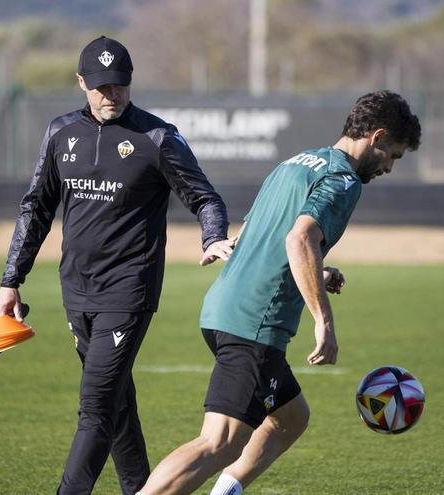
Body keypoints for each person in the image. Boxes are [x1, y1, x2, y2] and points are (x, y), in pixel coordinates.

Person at [137, 90, 422, 495]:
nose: (391, 167)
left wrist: (316, 273)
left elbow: (262, 233)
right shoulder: (342, 180)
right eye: (393, 154)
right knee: (219, 442)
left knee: (290, 418)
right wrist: (324, 322)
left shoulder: (296, 162)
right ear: (376, 137)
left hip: (225, 307)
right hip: (255, 320)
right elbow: (299, 238)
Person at [0, 36, 233, 495]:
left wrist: (213, 236)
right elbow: (36, 209)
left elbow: (204, 197)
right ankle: (140, 488)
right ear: (81, 82)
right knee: (118, 400)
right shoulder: (61, 132)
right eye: (101, 86)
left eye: (119, 85)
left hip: (129, 290)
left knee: (96, 404)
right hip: (76, 290)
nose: (111, 95)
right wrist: (11, 281)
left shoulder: (158, 137)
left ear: (130, 83)